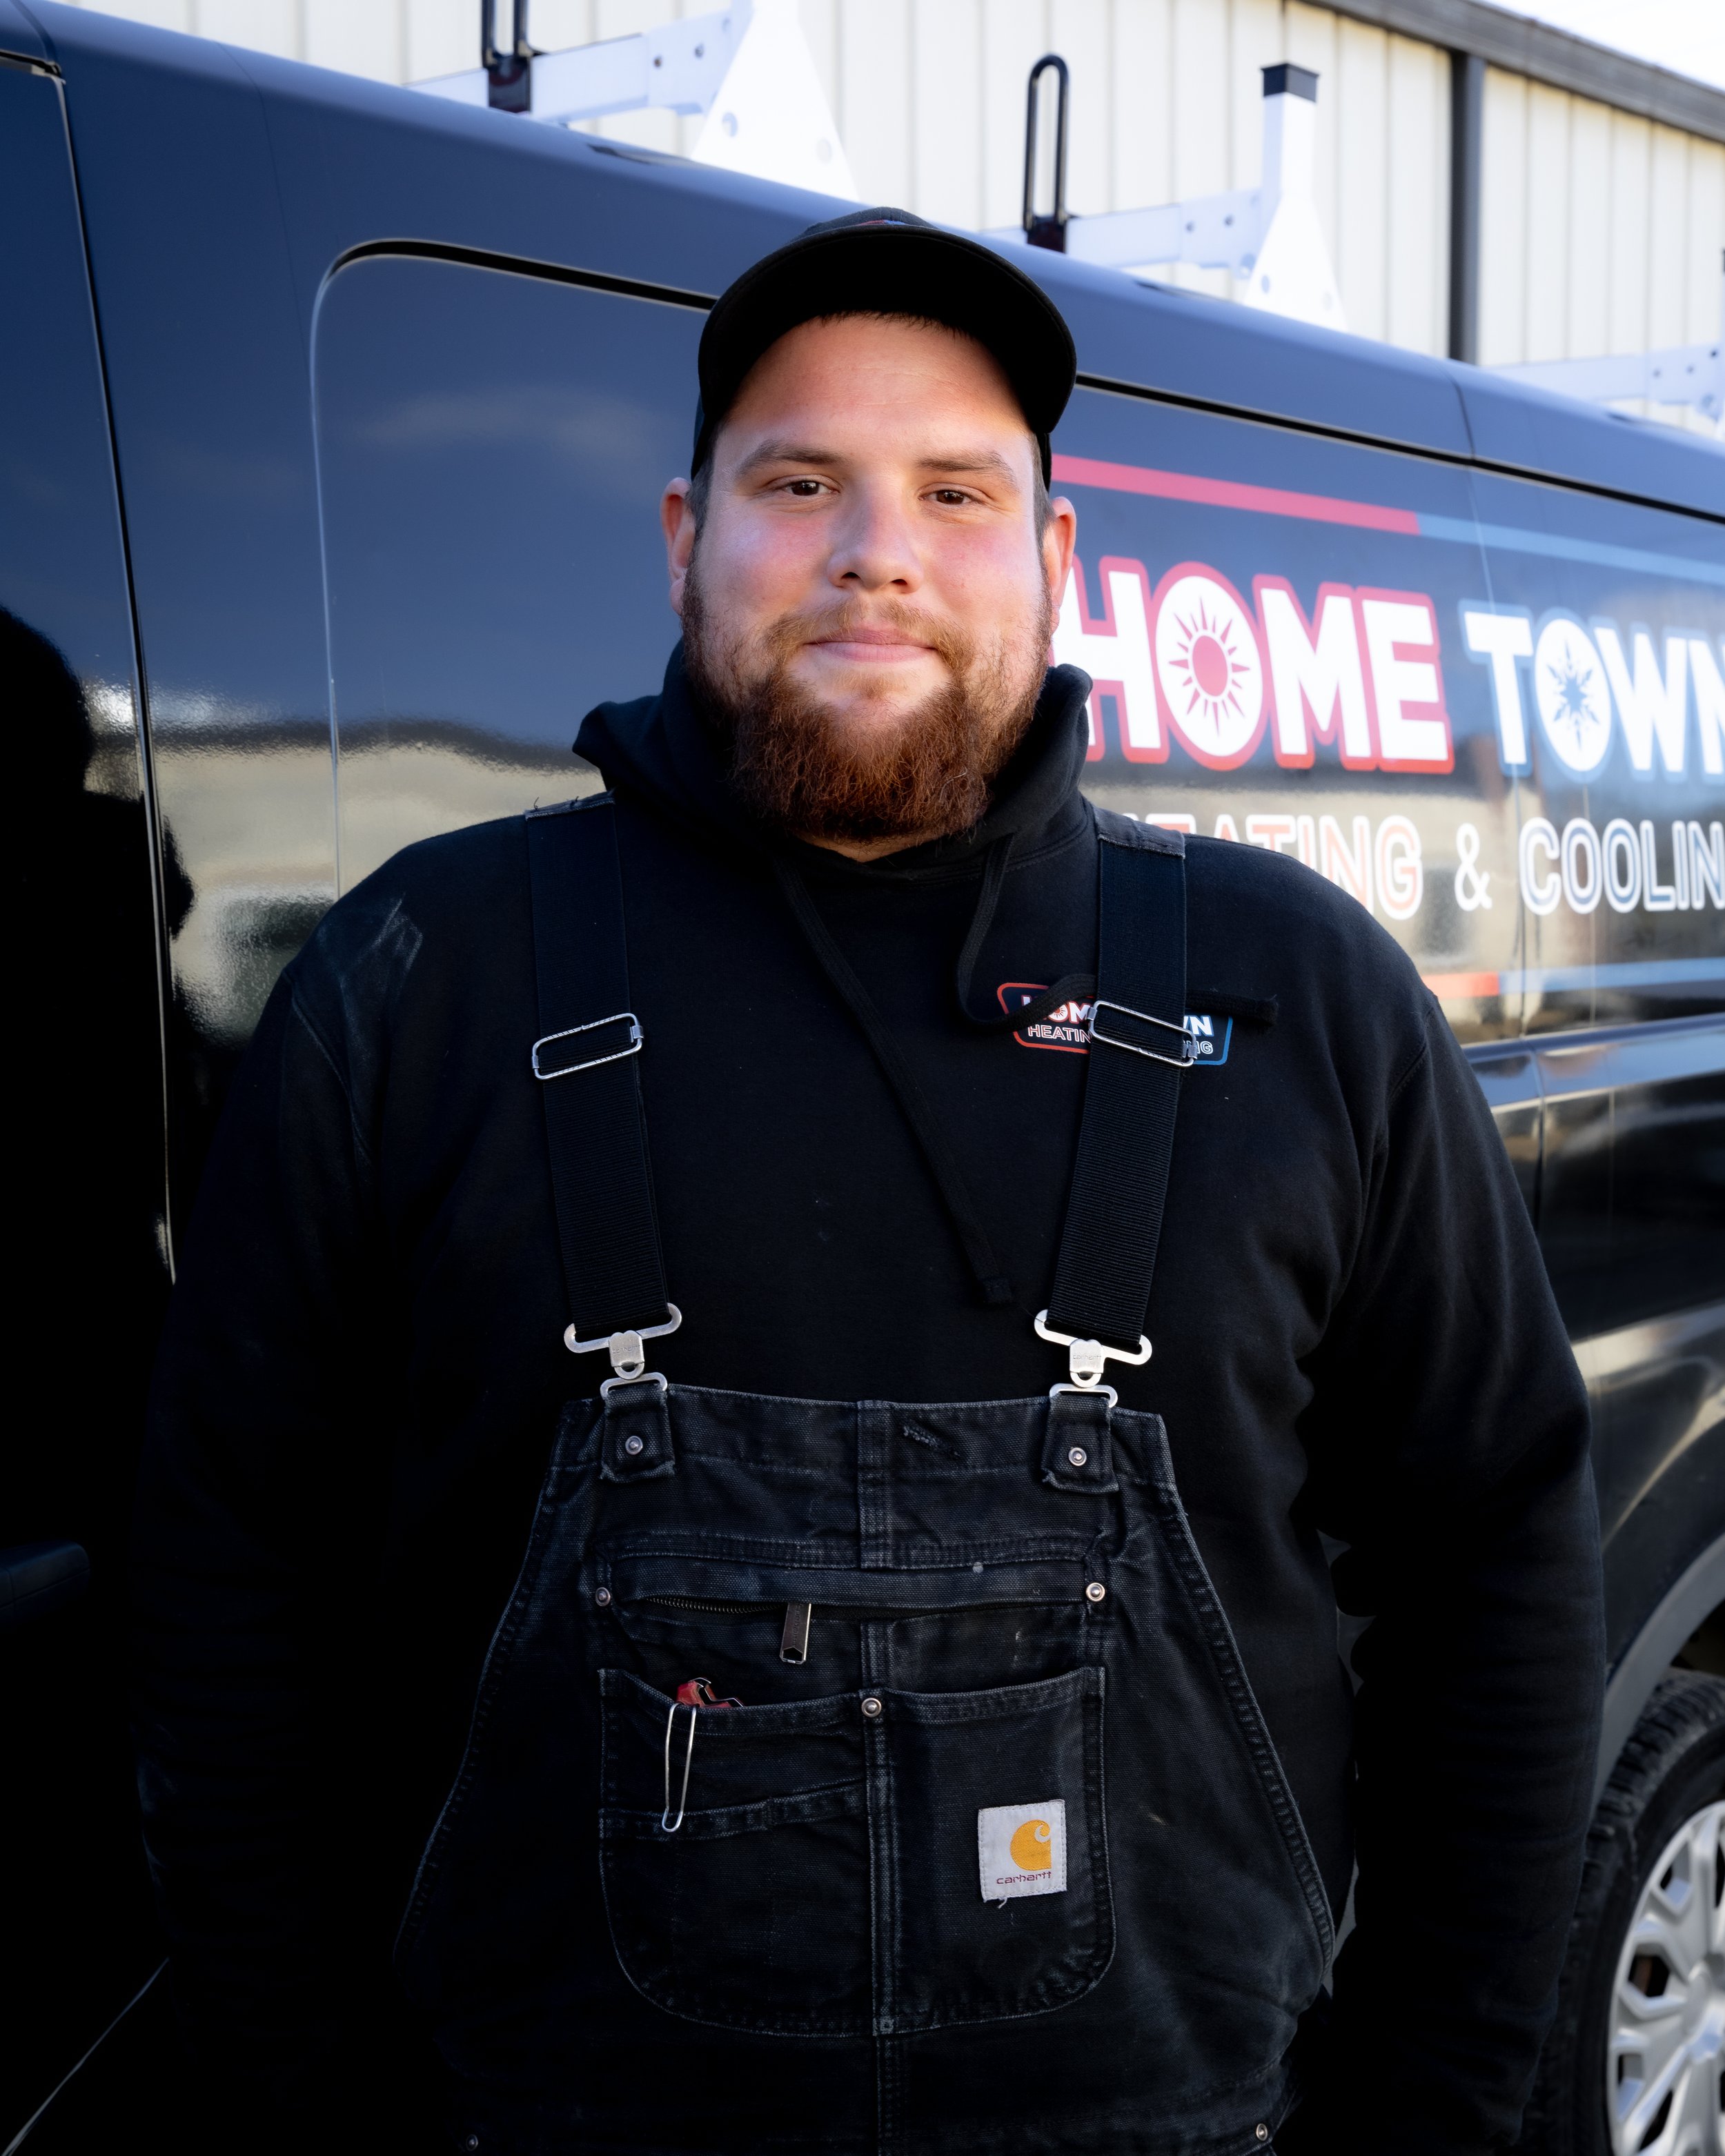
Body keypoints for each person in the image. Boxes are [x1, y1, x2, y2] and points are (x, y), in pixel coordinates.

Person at [135, 209, 1603, 2156]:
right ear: (684, 537)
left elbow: (1493, 1564)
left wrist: (1426, 2108)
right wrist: (315, 2107)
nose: (873, 550)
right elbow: (232, 1584)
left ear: (1056, 558)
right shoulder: (427, 973)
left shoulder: (1298, 987)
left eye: (954, 490)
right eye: (798, 480)